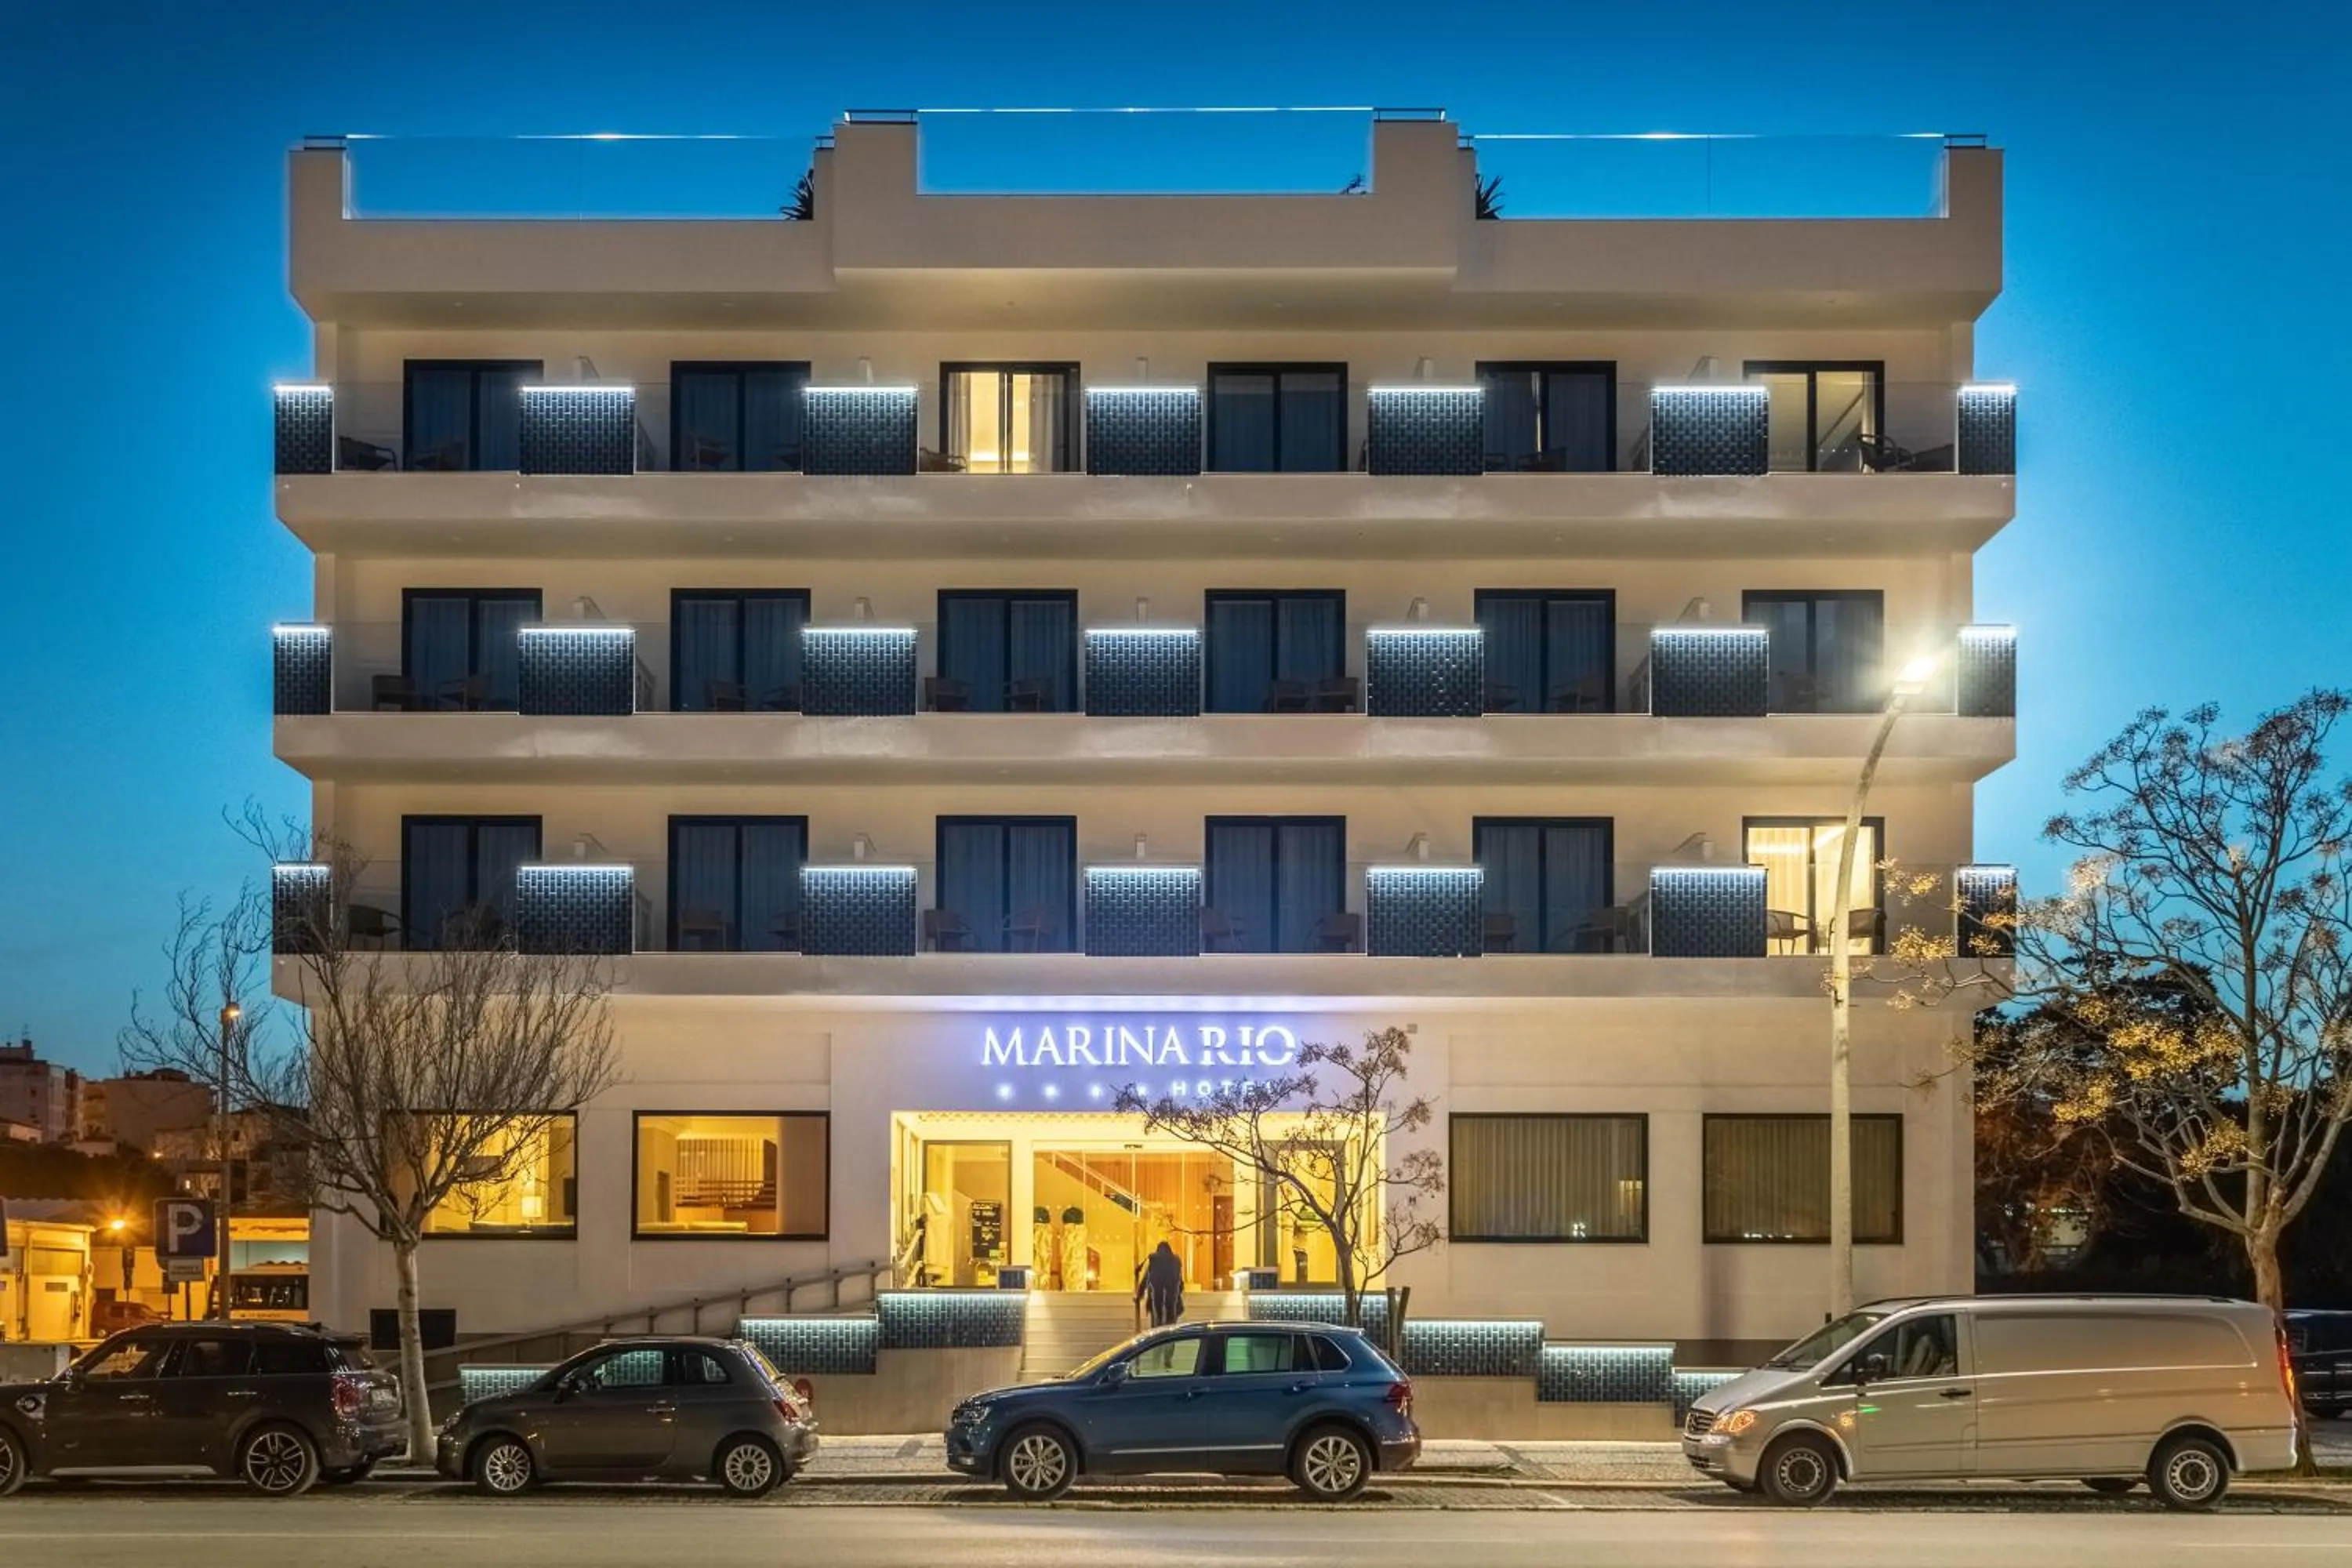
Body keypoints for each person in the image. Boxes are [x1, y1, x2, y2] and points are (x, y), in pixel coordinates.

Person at [1135, 1240, 1184, 1329]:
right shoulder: (1175, 1262)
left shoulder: (1155, 1261)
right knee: (1170, 1325)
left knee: (1157, 1325)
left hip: (1157, 1302)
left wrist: (1139, 1295)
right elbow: (1180, 1283)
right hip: (1172, 1303)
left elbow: (1146, 1279)